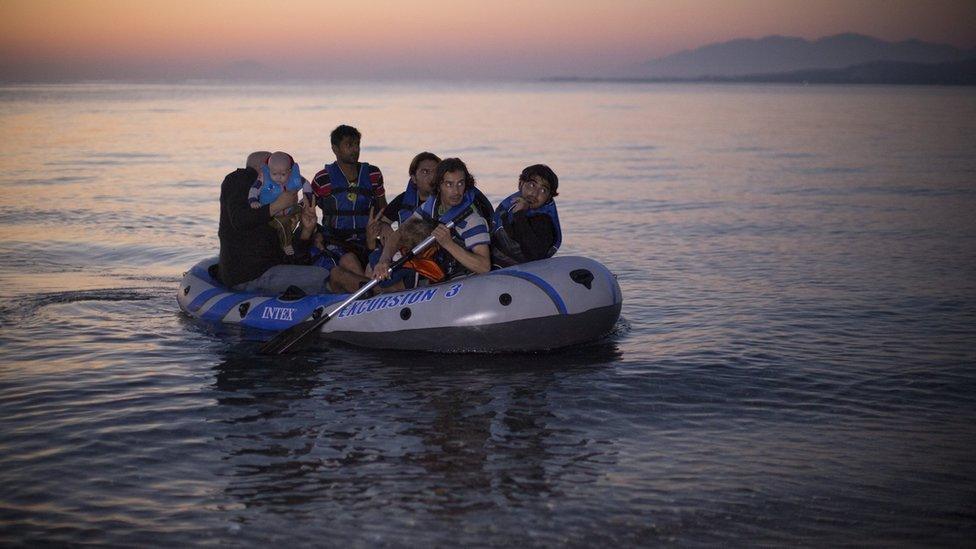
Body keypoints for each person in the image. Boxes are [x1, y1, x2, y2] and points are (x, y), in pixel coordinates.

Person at [218, 151, 366, 295]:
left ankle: (371, 295)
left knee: (342, 263)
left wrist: (306, 231)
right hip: (249, 276)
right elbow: (239, 220)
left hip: (273, 270)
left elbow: (291, 256)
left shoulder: (272, 210)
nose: (281, 179)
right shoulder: (239, 179)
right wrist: (276, 205)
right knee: (327, 274)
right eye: (274, 171)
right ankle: (379, 293)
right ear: (263, 169)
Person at [371, 158, 491, 290]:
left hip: (464, 283)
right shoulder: (431, 205)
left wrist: (449, 244)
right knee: (376, 261)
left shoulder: (473, 220)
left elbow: (484, 266)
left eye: (460, 184)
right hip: (440, 275)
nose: (456, 191)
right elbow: (400, 234)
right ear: (438, 185)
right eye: (449, 184)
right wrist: (384, 261)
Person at [310, 125, 387, 276]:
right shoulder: (323, 179)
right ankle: (367, 293)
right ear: (335, 149)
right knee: (349, 261)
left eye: (357, 145)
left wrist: (384, 228)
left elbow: (383, 207)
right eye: (349, 145)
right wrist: (315, 234)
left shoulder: (373, 174)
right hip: (335, 241)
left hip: (367, 238)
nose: (355, 150)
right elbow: (307, 210)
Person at [491, 164, 562, 268]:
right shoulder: (507, 211)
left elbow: (534, 254)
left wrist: (519, 215)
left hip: (521, 274)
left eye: (543, 190)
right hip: (493, 268)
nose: (534, 193)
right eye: (532, 185)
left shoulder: (545, 222)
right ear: (521, 184)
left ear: (548, 198)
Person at [248, 151, 309, 256]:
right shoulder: (261, 182)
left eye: (283, 172)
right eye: (274, 171)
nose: (278, 177)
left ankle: (298, 227)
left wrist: (307, 196)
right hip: (277, 218)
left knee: (305, 211)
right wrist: (253, 201)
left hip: (290, 211)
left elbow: (304, 183)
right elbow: (254, 193)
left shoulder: (290, 179)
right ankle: (287, 244)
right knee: (283, 224)